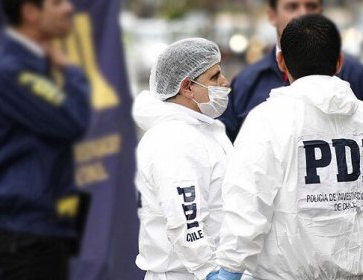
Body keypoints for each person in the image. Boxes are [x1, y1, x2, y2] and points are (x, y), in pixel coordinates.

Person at [216, 14, 363, 280]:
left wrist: (230, 267)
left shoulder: (268, 119)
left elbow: (247, 200)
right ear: (339, 62)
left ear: (281, 62)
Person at [0, 0, 91, 279]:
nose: (69, 8)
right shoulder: (13, 70)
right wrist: (72, 72)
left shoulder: (30, 64)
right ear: (30, 12)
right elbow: (73, 121)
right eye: (57, 3)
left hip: (36, 230)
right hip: (26, 234)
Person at [133, 38, 233, 280]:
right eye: (215, 77)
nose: (224, 82)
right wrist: (210, 272)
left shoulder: (202, 130)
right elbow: (184, 218)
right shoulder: (174, 138)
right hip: (186, 274)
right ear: (187, 87)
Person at [219, 0, 363, 143]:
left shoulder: (355, 74)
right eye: (292, 7)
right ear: (271, 15)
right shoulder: (245, 84)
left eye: (311, 6)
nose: (302, 14)